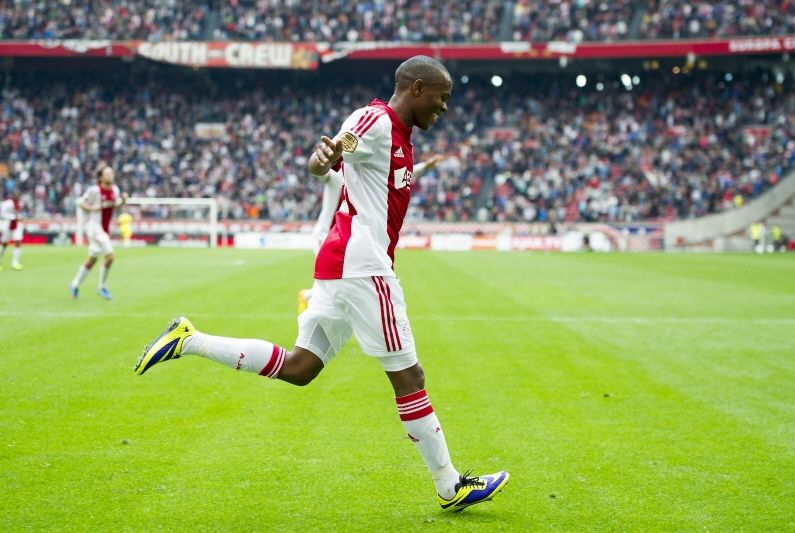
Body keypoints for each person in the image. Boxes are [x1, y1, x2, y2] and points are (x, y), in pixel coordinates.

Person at [134, 56, 509, 512]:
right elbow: (331, 154)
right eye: (441, 97)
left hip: (341, 264)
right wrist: (323, 159)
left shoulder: (401, 137)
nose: (444, 107)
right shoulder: (376, 120)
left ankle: (188, 340)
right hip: (363, 267)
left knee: (301, 367)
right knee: (409, 376)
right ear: (416, 88)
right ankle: (450, 486)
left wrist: (331, 160)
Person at [298, 154, 444, 313]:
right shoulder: (336, 176)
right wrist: (321, 161)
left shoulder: (362, 177)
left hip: (347, 237)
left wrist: (424, 166)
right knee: (332, 282)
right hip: (325, 235)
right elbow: (321, 173)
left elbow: (398, 174)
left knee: (342, 280)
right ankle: (311, 299)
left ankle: (313, 299)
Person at [69, 163, 127, 300]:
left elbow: (115, 206)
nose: (110, 176)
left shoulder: (115, 190)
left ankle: (74, 284)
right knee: (110, 256)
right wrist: (93, 209)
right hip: (94, 227)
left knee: (93, 259)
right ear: (100, 177)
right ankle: (102, 287)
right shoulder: (94, 190)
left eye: (111, 173)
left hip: (105, 228)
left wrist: (123, 201)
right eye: (107, 174)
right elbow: (81, 203)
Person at [0, 189, 24, 271]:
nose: (17, 197)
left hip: (17, 225)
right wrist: (13, 217)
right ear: (12, 196)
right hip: (7, 224)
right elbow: (2, 214)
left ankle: (15, 263)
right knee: (4, 244)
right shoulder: (6, 204)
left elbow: (20, 213)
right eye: (16, 196)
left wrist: (20, 217)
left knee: (18, 241)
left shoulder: (20, 203)